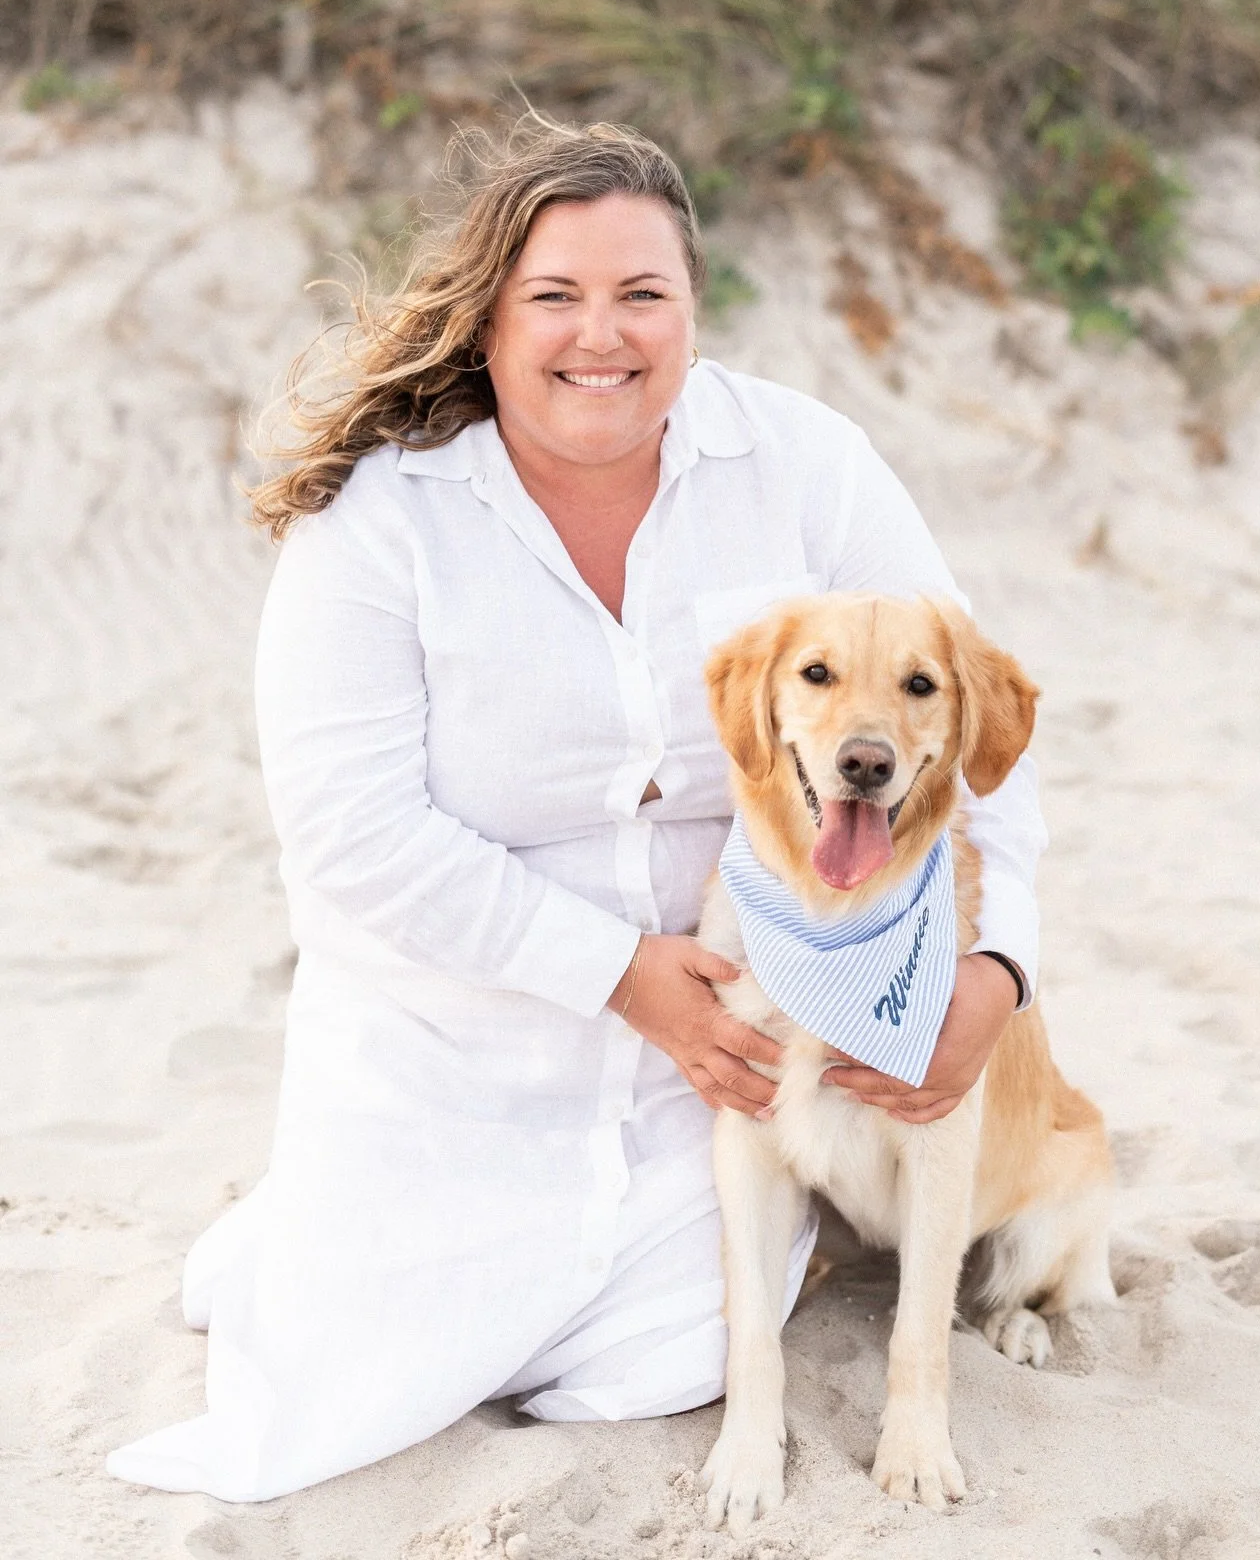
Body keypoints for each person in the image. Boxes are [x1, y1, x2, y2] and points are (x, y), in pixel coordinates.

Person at [107, 119, 1046, 1503]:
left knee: (665, 1365)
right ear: (489, 318)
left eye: (641, 295)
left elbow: (962, 720)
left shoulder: (802, 461)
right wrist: (617, 977)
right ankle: (309, 1226)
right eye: (555, 296)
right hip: (462, 1033)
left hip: (723, 1052)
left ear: (690, 312)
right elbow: (353, 833)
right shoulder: (379, 522)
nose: (600, 336)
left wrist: (997, 968)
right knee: (363, 1374)